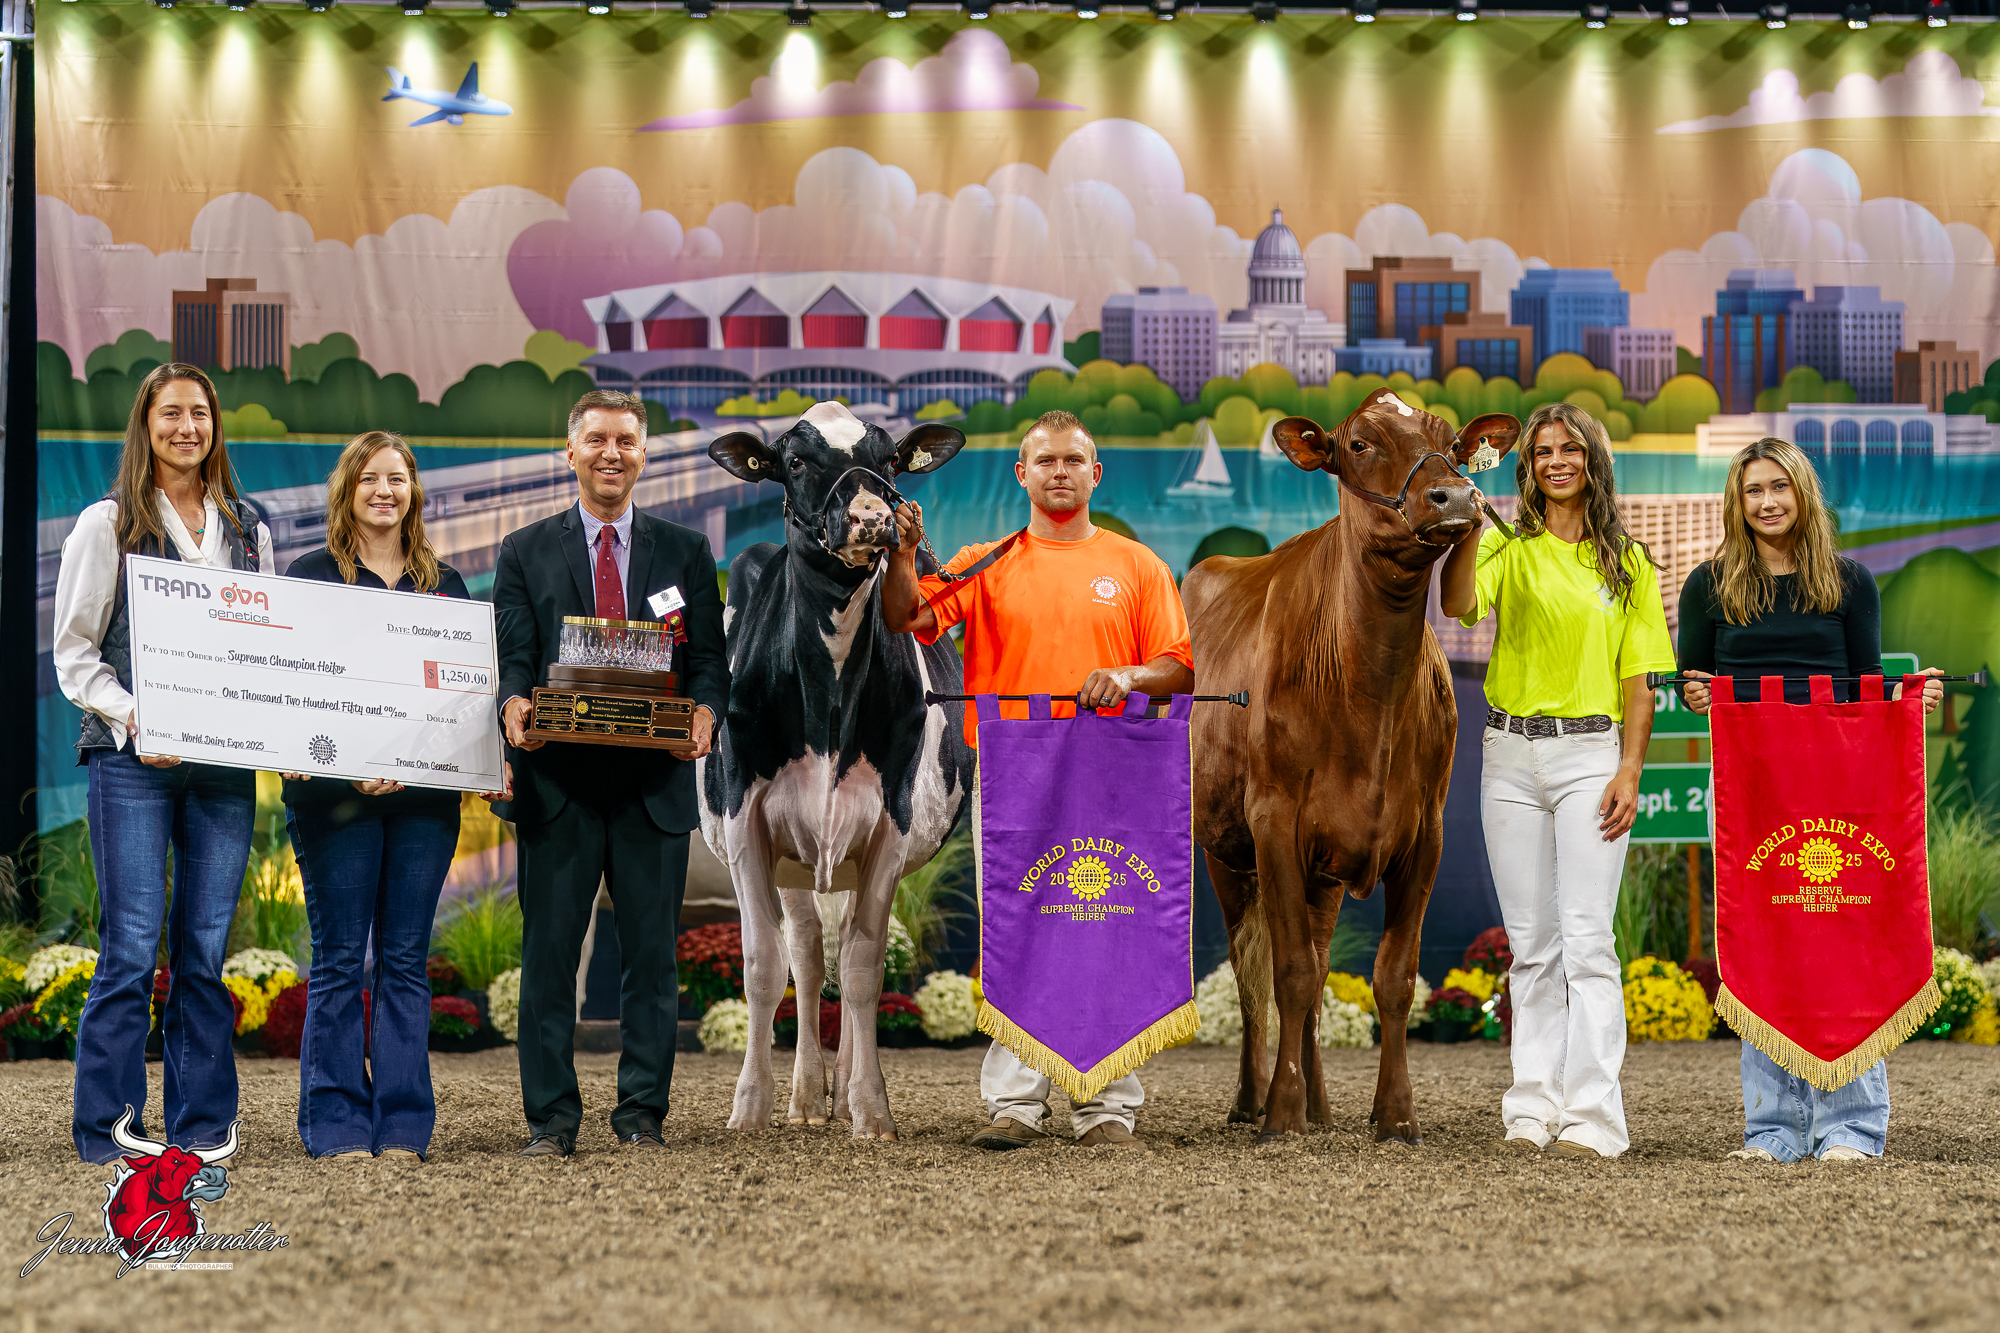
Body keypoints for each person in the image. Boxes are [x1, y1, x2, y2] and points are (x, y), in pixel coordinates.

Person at [883, 409, 1194, 1151]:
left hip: (1115, 774)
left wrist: (1128, 675)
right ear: (1022, 475)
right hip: (1015, 776)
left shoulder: (1138, 565)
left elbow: (1179, 666)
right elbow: (905, 617)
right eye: (1046, 460)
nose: (1060, 471)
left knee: (1109, 923)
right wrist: (903, 554)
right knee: (1017, 925)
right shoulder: (984, 562)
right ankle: (1015, 1104)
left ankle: (1107, 1105)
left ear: (1096, 474)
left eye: (1073, 460)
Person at [1677, 436, 1943, 1164]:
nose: (1767, 502)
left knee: (1843, 942)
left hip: (1836, 790)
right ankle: (1774, 1130)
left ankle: (1851, 1127)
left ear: (1802, 493)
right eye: (1753, 490)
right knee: (1761, 946)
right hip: (1750, 793)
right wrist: (1697, 693)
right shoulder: (1708, 585)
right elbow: (1692, 680)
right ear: (1736, 502)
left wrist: (1912, 699)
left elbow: (1866, 691)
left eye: (1779, 487)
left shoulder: (1850, 582)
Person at [493, 390, 729, 1157]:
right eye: (596, 439)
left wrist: (706, 712)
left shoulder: (687, 552)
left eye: (625, 440)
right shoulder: (523, 550)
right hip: (555, 787)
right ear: (570, 452)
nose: (611, 453)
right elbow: (513, 659)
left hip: (651, 790)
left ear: (644, 454)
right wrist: (513, 703)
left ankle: (641, 1115)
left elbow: (709, 662)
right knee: (549, 962)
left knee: (652, 963)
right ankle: (551, 1119)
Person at [1439, 400, 1677, 1160]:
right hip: (1508, 755)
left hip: (1591, 758)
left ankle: (1594, 1117)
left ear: (1593, 460)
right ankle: (1532, 1108)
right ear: (1528, 469)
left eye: (1569, 448)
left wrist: (1630, 768)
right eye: (1542, 451)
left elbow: (1641, 681)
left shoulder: (1630, 563)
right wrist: (1469, 525)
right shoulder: (1506, 545)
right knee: (1532, 947)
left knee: (1587, 942)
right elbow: (1457, 603)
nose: (1556, 461)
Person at [53, 363, 274, 1163]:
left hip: (222, 766)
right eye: (171, 413)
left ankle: (202, 1127)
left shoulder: (249, 526)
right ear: (145, 426)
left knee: (206, 950)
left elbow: (267, 644)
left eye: (200, 413)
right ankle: (107, 1129)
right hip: (132, 761)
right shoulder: (106, 523)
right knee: (131, 947)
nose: (187, 427)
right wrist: (136, 713)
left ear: (216, 425)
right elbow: (75, 654)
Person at [281, 432, 510, 1163]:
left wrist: (460, 758)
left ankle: (405, 1122)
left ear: (414, 493)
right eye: (371, 479)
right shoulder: (310, 576)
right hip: (334, 803)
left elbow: (464, 698)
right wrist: (352, 766)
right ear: (347, 489)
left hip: (423, 805)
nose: (385, 491)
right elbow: (293, 686)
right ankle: (336, 1122)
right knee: (341, 959)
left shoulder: (446, 585)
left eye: (398, 479)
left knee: (407, 960)